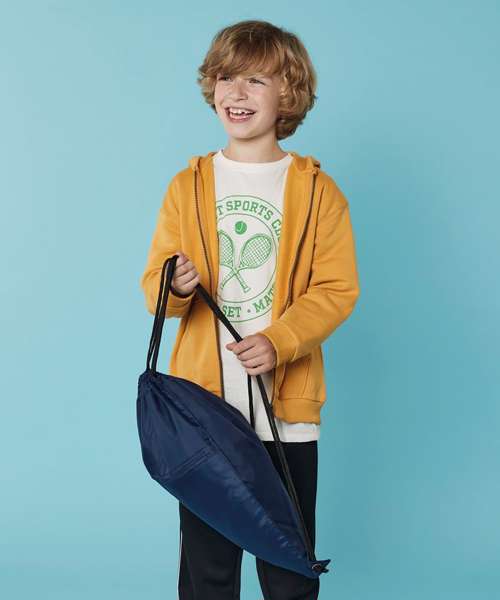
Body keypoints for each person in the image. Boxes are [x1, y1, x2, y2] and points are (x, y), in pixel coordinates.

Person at [140, 19, 360, 600]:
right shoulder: (187, 186)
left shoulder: (318, 192)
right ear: (211, 88)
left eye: (256, 80)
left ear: (289, 93)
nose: (236, 93)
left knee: (289, 569)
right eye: (226, 78)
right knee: (207, 569)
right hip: (204, 413)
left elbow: (336, 289)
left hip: (286, 413)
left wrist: (280, 341)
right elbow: (154, 286)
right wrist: (175, 286)